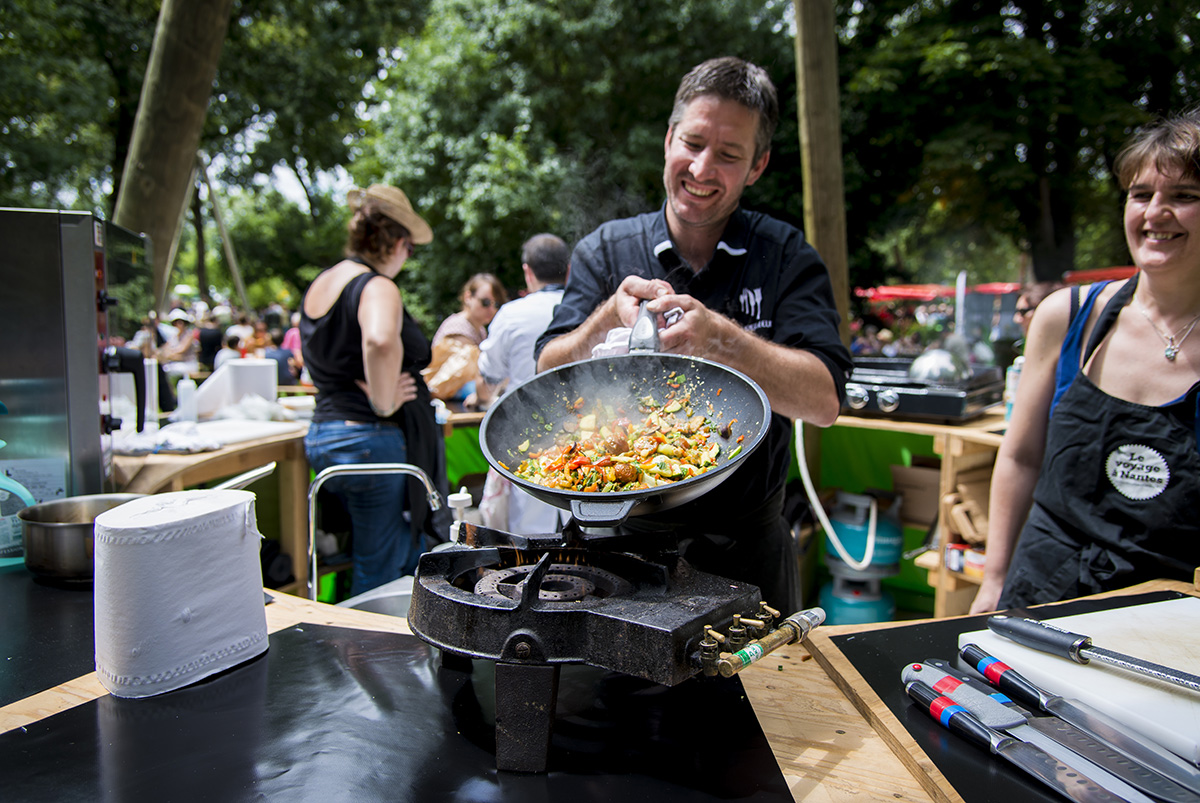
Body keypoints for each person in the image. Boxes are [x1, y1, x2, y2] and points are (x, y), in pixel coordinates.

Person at [535, 57, 852, 613]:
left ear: (757, 166)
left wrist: (724, 342)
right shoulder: (605, 252)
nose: (703, 168)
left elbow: (824, 401)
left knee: (754, 701)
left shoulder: (786, 258)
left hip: (747, 558)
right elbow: (545, 374)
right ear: (668, 140)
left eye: (729, 155)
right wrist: (607, 318)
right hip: (609, 555)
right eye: (693, 143)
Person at [970, 111, 1200, 614]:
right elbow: (1020, 457)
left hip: (1166, 615)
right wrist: (994, 580)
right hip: (1041, 593)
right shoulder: (1068, 316)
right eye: (1141, 194)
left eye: (1184, 197)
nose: (1155, 213)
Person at [300, 183, 449, 596]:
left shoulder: (321, 284)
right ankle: (371, 656)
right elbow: (380, 341)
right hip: (370, 440)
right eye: (410, 249)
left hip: (327, 435)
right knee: (378, 566)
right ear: (399, 242)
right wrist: (383, 402)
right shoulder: (376, 285)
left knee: (377, 549)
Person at [475, 233, 571, 533]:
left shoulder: (511, 313)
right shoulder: (592, 308)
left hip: (526, 435)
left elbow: (489, 372)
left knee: (530, 537)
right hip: (588, 429)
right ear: (568, 270)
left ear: (527, 271)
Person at [423, 273, 508, 401]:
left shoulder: (479, 329)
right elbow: (457, 379)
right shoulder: (458, 328)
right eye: (485, 302)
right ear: (468, 297)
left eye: (496, 304)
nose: (491, 309)